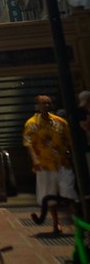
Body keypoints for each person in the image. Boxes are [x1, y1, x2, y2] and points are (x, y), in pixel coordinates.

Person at [23, 94, 77, 235]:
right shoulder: (32, 124)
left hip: (63, 163)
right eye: (43, 103)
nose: (46, 106)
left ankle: (76, 222)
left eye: (48, 103)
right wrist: (35, 160)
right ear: (37, 106)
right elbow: (28, 143)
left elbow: (69, 140)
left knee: (69, 193)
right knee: (49, 195)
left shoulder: (60, 122)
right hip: (45, 165)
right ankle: (56, 222)